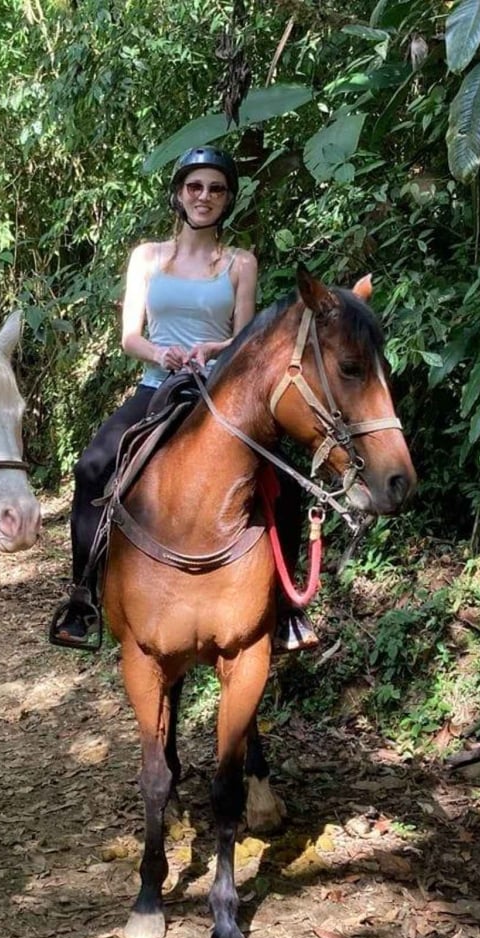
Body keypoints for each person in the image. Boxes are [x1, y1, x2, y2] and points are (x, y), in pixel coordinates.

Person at [47, 146, 319, 653]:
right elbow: (130, 336)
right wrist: (161, 352)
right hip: (158, 385)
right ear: (178, 195)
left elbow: (245, 339)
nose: (204, 196)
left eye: (215, 189)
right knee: (92, 468)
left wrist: (214, 348)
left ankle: (284, 608)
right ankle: (83, 598)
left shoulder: (240, 262)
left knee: (284, 479)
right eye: (195, 187)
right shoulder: (147, 258)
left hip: (221, 392)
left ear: (227, 200)